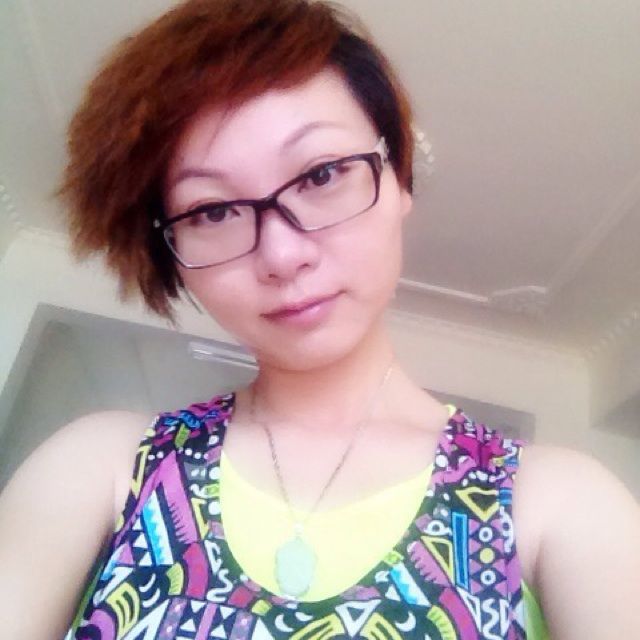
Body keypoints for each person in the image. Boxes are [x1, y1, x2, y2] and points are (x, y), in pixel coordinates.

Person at [0, 0, 638, 638]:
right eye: (212, 212)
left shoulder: (556, 504)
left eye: (322, 174)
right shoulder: (103, 468)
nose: (282, 255)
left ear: (398, 179)